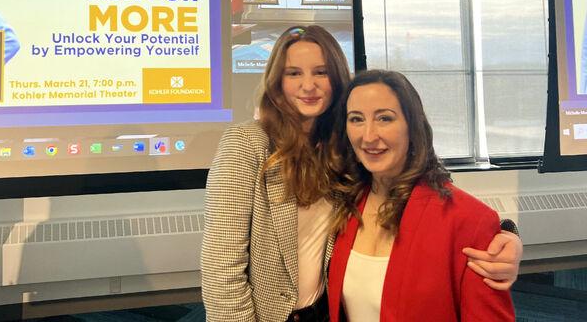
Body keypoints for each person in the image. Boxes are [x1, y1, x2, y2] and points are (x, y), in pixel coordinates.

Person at [201, 26, 522, 322]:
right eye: (294, 73)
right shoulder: (247, 144)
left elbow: (426, 184)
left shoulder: (344, 148)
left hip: (328, 312)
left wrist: (504, 234)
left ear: (337, 80)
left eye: (321, 73)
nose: (308, 85)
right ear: (277, 81)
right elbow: (222, 272)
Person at [326, 70, 515, 321]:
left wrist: (509, 234)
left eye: (384, 118)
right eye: (356, 119)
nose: (369, 136)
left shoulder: (467, 220)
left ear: (412, 126)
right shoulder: (343, 204)